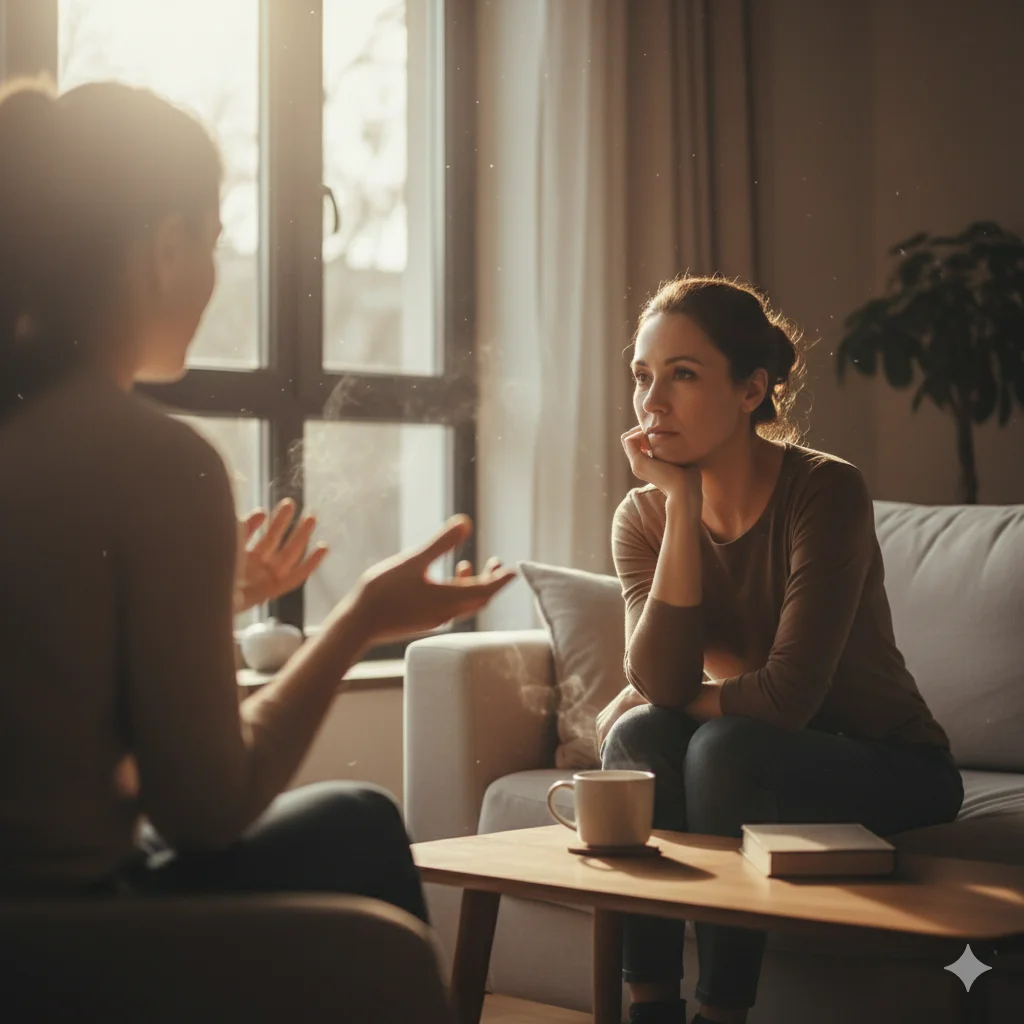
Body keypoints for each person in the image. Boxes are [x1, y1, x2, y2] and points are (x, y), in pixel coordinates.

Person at [0, 78, 515, 917]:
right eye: (213, 239)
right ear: (167, 248)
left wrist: (211, 602)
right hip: (63, 942)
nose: (212, 271)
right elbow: (205, 812)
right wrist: (359, 620)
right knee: (362, 823)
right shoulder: (158, 465)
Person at [597, 276, 963, 1024]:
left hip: (890, 762)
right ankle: (650, 1009)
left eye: (683, 375)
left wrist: (667, 696)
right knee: (638, 736)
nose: (652, 402)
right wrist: (681, 504)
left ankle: (722, 1015)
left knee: (724, 748)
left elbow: (787, 695)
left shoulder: (825, 492)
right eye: (643, 376)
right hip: (762, 745)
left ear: (750, 390)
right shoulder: (643, 516)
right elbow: (659, 680)